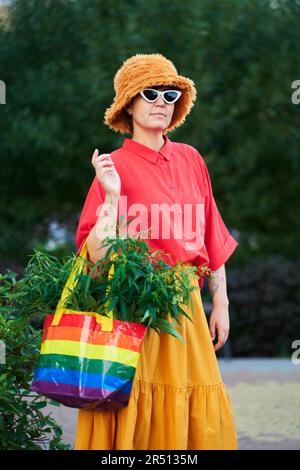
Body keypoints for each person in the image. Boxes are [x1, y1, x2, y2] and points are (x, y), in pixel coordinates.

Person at [74, 53, 239, 450]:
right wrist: (111, 197)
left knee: (197, 409)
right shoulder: (112, 167)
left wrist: (221, 302)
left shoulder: (192, 159)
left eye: (170, 94)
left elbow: (210, 240)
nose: (162, 101)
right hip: (135, 311)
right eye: (150, 93)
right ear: (129, 104)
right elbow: (92, 256)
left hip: (188, 311)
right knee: (139, 408)